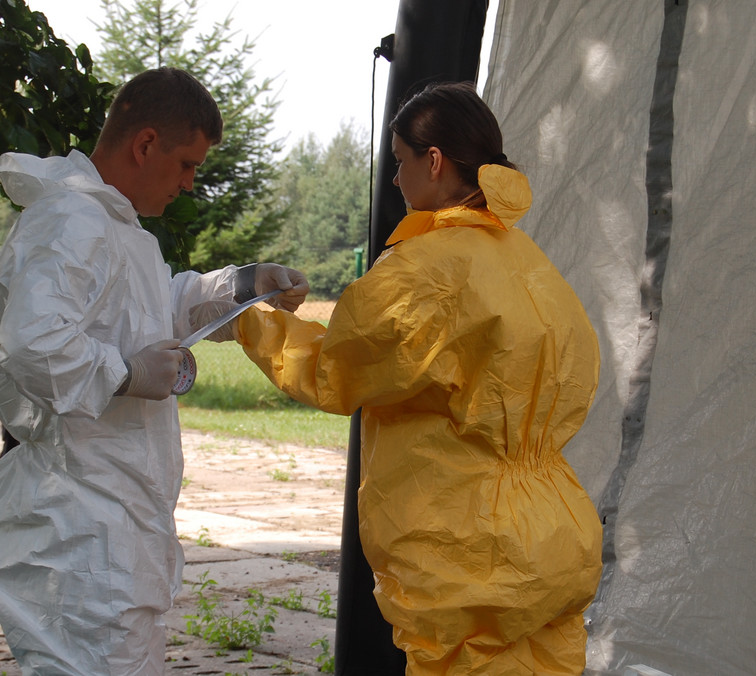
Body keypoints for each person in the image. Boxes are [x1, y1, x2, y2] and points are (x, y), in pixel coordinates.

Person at [234, 82, 603, 674]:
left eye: (400, 161)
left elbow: (336, 370)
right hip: (553, 526)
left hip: (467, 541)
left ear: (433, 161)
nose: (396, 180)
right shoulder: (526, 259)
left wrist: (250, 323)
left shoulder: (427, 268)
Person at [0, 67, 308, 675]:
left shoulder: (114, 227)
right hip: (81, 519)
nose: (190, 184)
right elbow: (32, 341)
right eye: (185, 164)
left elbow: (157, 309)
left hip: (109, 514)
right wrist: (124, 372)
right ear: (144, 143)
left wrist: (244, 283)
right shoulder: (73, 220)